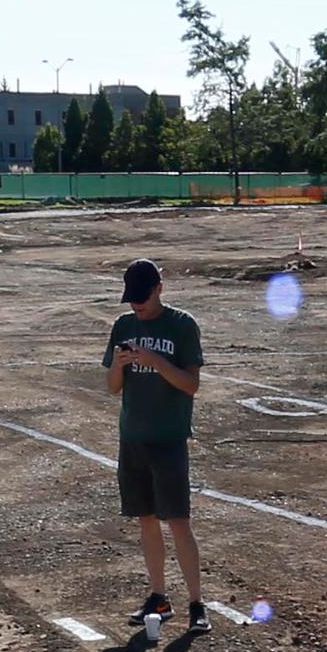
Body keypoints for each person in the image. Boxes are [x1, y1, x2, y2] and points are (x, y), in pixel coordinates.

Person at [102, 257, 206, 633]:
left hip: (168, 439)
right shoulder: (123, 326)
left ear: (159, 288)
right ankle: (158, 596)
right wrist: (118, 364)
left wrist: (154, 360)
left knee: (178, 521)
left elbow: (190, 384)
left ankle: (197, 603)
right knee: (145, 520)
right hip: (133, 438)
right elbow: (114, 387)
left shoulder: (182, 326)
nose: (136, 304)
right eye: (131, 298)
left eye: (142, 297)